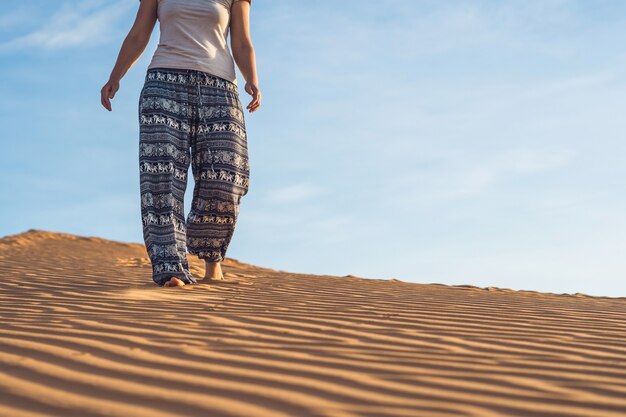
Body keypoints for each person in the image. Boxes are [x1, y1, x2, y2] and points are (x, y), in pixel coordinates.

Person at [100, 0, 261, 288]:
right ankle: (170, 268)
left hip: (220, 88)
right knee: (161, 178)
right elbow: (138, 34)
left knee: (225, 178)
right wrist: (116, 76)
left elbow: (242, 41)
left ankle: (212, 260)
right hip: (163, 84)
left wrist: (252, 78)